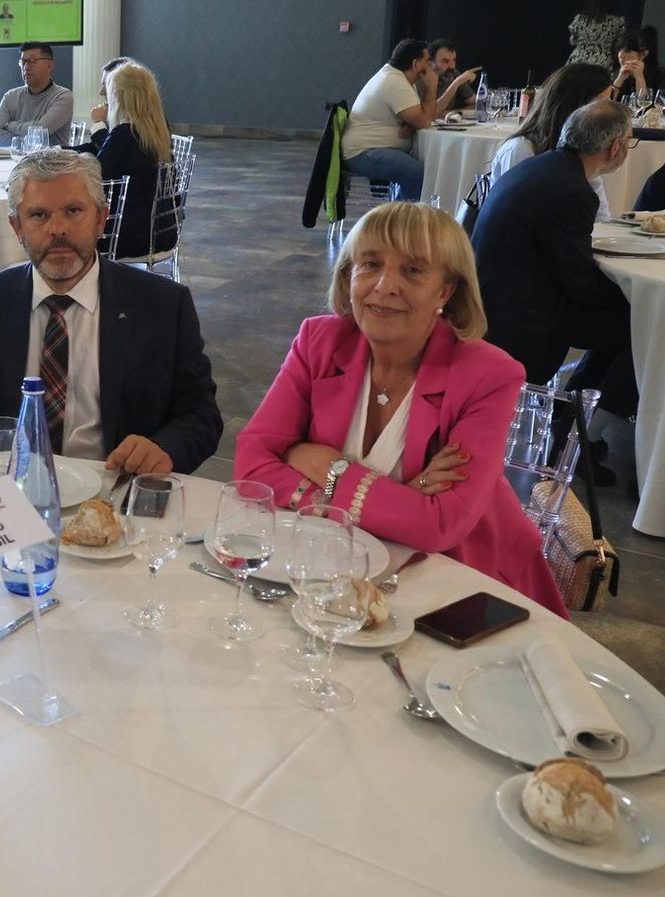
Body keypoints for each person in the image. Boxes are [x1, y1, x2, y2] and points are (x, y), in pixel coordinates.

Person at [234, 202, 568, 618]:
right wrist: (392, 499)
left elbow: (441, 526)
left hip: (462, 582)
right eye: (370, 264)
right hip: (332, 566)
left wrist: (330, 468)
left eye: (412, 270)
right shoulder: (318, 341)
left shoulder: (489, 374)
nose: (385, 285)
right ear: (349, 277)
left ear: (446, 291)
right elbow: (251, 464)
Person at [0, 148, 222, 475]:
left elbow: (201, 414)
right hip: (4, 486)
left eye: (73, 211)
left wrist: (164, 448)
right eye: (39, 215)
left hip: (116, 484)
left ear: (101, 219)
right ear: (17, 227)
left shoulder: (163, 305)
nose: (58, 229)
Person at [472, 101, 636, 418]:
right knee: (640, 323)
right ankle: (581, 426)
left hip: (491, 300)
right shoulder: (572, 190)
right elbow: (581, 285)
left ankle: (574, 416)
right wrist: (636, 297)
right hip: (519, 321)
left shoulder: (541, 167)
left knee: (625, 318)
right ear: (616, 147)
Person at [341, 38, 477, 202]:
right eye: (427, 61)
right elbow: (424, 122)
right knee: (421, 176)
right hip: (363, 152)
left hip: (374, 148)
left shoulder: (399, 78)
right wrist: (431, 87)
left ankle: (399, 213)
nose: (429, 66)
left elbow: (426, 115)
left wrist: (412, 125)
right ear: (415, 64)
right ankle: (398, 216)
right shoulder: (395, 83)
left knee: (429, 169)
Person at [489, 63, 613, 219]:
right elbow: (518, 217)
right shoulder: (521, 148)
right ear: (577, 105)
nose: (609, 112)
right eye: (601, 104)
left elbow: (601, 216)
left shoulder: (582, 150)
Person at [90, 63, 177, 260]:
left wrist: (98, 125)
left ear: (117, 95)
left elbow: (96, 177)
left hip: (127, 239)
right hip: (162, 233)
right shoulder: (156, 132)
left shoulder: (125, 134)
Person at [0, 41, 74, 146]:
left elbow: (41, 131)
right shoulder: (10, 96)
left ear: (50, 65)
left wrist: (9, 125)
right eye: (23, 62)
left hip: (51, 156)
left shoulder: (63, 96)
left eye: (32, 61)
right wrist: (27, 139)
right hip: (15, 156)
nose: (26, 67)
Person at [76, 55, 135, 152]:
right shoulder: (118, 120)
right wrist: (55, 150)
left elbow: (106, 157)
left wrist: (98, 123)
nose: (101, 92)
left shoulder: (130, 128)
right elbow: (93, 148)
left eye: (106, 85)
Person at [567, 0, 627, 73]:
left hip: (578, 60)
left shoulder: (580, 19)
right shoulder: (617, 22)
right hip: (602, 63)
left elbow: (572, 41)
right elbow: (619, 45)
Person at [610, 26, 665, 100]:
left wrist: (639, 77)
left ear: (643, 54)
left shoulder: (660, 75)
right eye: (620, 50)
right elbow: (606, 103)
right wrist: (618, 81)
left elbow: (649, 105)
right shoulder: (618, 73)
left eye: (627, 51)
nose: (621, 55)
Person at [428, 38, 477, 110]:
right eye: (445, 61)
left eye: (454, 60)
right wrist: (456, 83)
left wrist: (454, 114)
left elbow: (476, 103)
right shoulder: (422, 79)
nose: (452, 66)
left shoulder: (453, 73)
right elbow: (429, 113)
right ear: (430, 62)